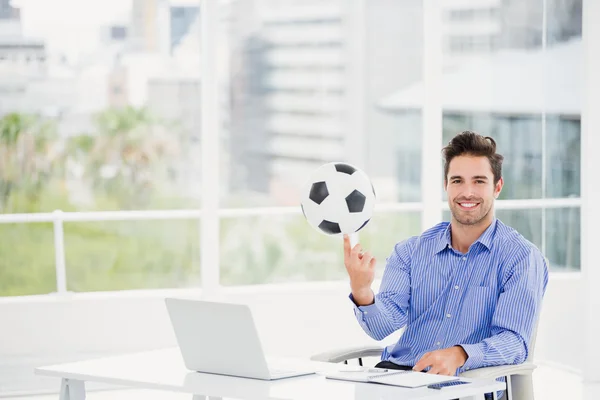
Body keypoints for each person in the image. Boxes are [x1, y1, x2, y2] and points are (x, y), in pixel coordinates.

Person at [343, 131, 548, 396]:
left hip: (464, 387)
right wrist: (362, 292)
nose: (467, 192)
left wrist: (460, 354)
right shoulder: (411, 251)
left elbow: (514, 343)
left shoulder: (520, 258)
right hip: (398, 380)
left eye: (479, 181)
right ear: (446, 185)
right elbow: (382, 327)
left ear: (497, 187)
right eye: (457, 181)